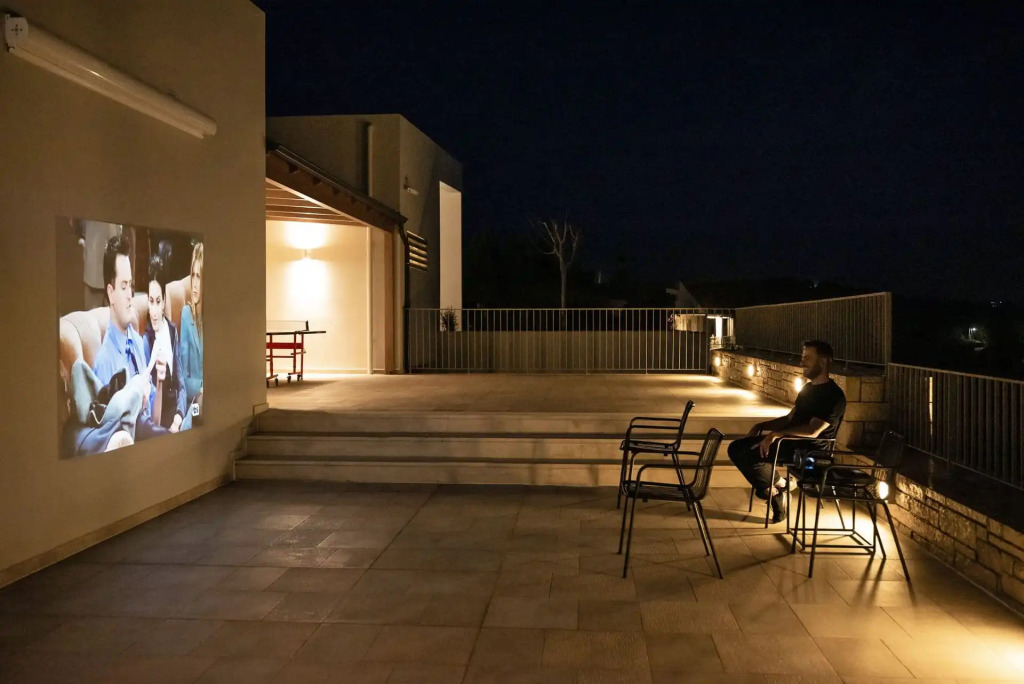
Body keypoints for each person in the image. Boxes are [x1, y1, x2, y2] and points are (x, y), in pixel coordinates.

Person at [727, 340, 847, 523]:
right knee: (738, 448)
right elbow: (790, 418)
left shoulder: (833, 395)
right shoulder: (808, 389)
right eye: (802, 357)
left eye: (807, 358)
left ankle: (775, 492)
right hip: (790, 443)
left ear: (823, 361)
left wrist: (777, 434)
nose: (801, 362)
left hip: (809, 451)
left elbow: (813, 430)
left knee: (745, 452)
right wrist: (762, 426)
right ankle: (780, 487)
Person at [90, 233, 167, 441]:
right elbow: (115, 443)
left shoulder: (138, 342)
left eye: (130, 285)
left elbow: (155, 421)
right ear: (110, 292)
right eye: (123, 286)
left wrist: (159, 384)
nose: (129, 294)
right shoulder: (104, 362)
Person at [142, 252, 187, 432]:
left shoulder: (172, 331)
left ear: (164, 302)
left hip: (177, 418)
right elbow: (147, 405)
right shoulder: (146, 341)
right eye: (151, 301)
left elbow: (181, 385)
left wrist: (179, 418)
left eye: (158, 301)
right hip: (159, 426)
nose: (154, 311)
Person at [179, 241, 204, 424]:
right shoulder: (186, 315)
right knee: (198, 411)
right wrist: (202, 387)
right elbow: (183, 380)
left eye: (199, 277)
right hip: (194, 402)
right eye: (193, 276)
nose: (194, 284)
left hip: (217, 401)